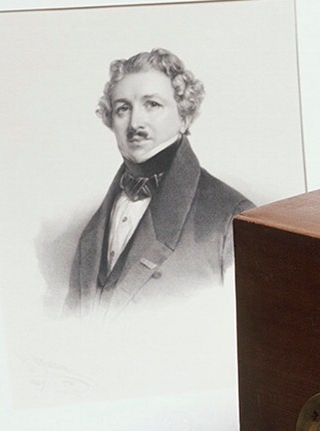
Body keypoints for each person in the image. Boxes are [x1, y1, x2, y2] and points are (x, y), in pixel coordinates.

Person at [66, 48, 253, 318]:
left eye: (152, 104)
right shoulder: (91, 232)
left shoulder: (231, 219)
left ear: (184, 115)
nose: (135, 122)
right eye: (122, 108)